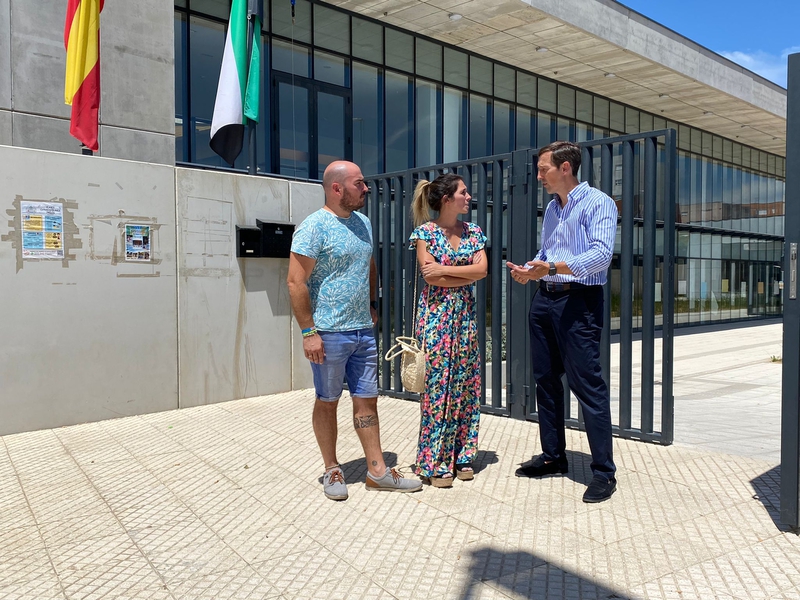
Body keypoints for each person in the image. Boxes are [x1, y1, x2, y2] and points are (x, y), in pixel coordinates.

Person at [287, 160, 423, 501]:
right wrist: (308, 332)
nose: (366, 189)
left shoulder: (363, 223)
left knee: (367, 401)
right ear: (337, 189)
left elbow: (369, 264)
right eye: (359, 183)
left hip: (363, 330)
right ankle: (332, 468)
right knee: (327, 400)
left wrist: (373, 303)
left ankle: (377, 470)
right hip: (328, 333)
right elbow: (295, 281)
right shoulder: (312, 227)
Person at [507, 141, 619, 503]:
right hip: (545, 300)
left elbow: (601, 256)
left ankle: (604, 472)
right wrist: (530, 270)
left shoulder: (598, 203)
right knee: (545, 381)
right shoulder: (553, 210)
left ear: (566, 168)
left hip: (578, 302)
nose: (539, 176)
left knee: (588, 385)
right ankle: (554, 456)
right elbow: (548, 253)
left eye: (544, 169)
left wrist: (551, 267)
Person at [409, 173, 487, 488]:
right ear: (447, 199)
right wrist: (462, 276)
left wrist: (445, 269)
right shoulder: (425, 232)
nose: (469, 197)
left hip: (465, 319)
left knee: (466, 385)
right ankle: (435, 461)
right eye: (463, 193)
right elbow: (431, 278)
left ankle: (463, 456)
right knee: (438, 388)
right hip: (435, 320)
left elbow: (482, 270)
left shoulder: (474, 232)